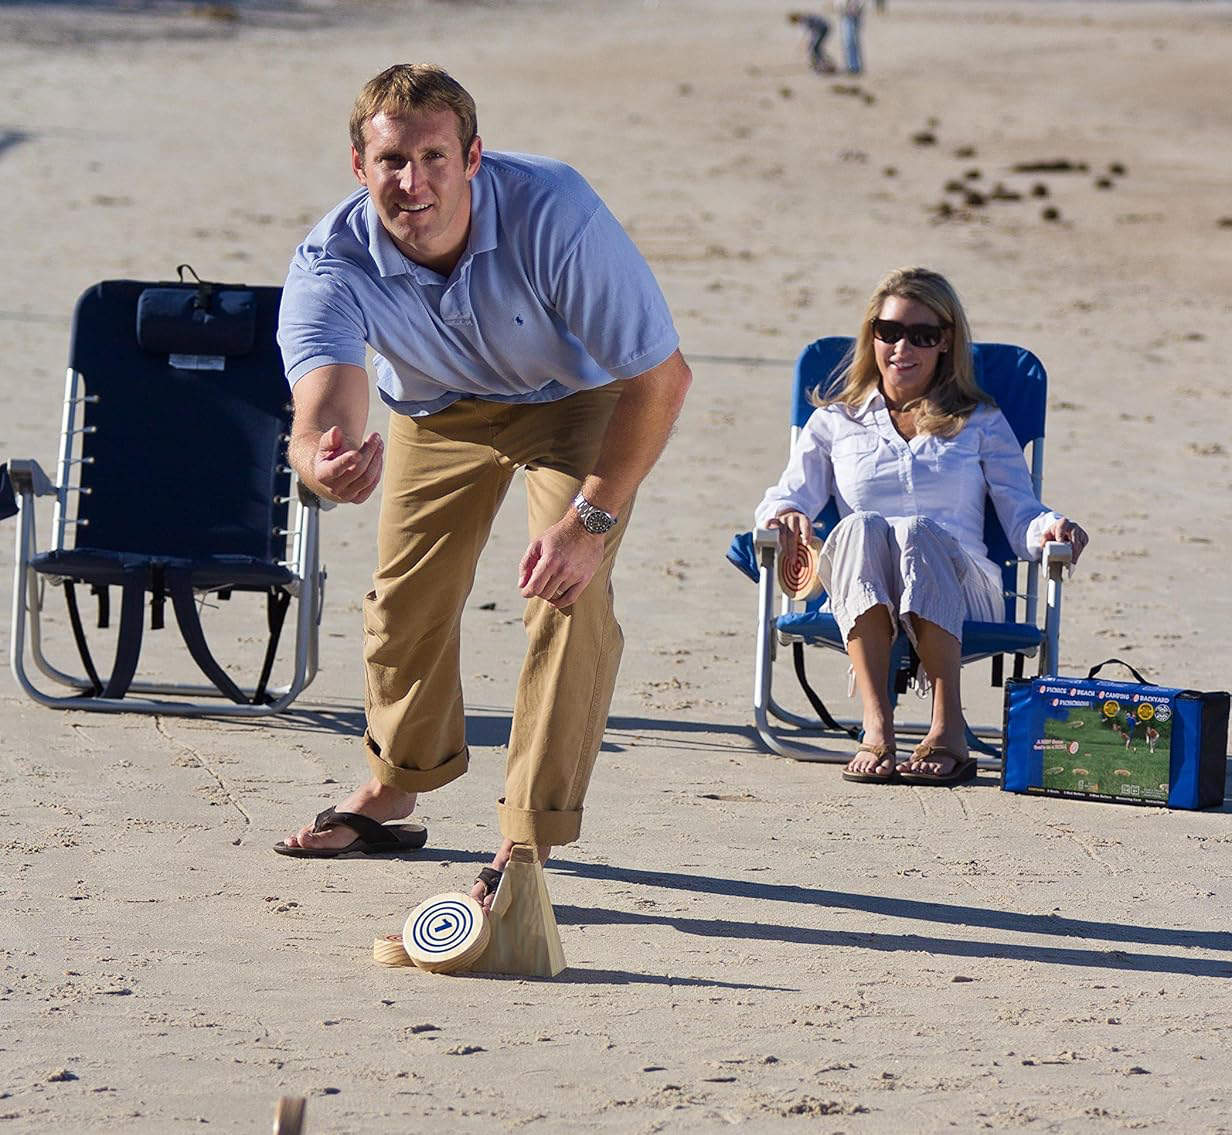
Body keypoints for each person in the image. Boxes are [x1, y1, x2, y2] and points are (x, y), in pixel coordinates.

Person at [273, 64, 691, 907]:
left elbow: (662, 379)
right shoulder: (329, 262)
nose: (412, 182)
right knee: (403, 597)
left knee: (566, 591)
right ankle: (395, 789)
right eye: (391, 161)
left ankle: (526, 838)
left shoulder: (555, 213)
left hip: (577, 398)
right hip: (438, 409)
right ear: (359, 166)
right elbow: (320, 414)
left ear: (472, 158)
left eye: (433, 156)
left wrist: (591, 520)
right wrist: (323, 464)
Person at [754, 267, 1088, 786]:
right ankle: (877, 724)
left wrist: (1052, 527)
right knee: (862, 525)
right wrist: (783, 515)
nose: (902, 347)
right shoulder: (835, 422)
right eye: (888, 332)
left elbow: (1021, 512)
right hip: (866, 586)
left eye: (922, 335)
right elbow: (785, 496)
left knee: (914, 530)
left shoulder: (980, 421)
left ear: (945, 342)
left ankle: (947, 726)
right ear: (872, 336)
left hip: (964, 587)